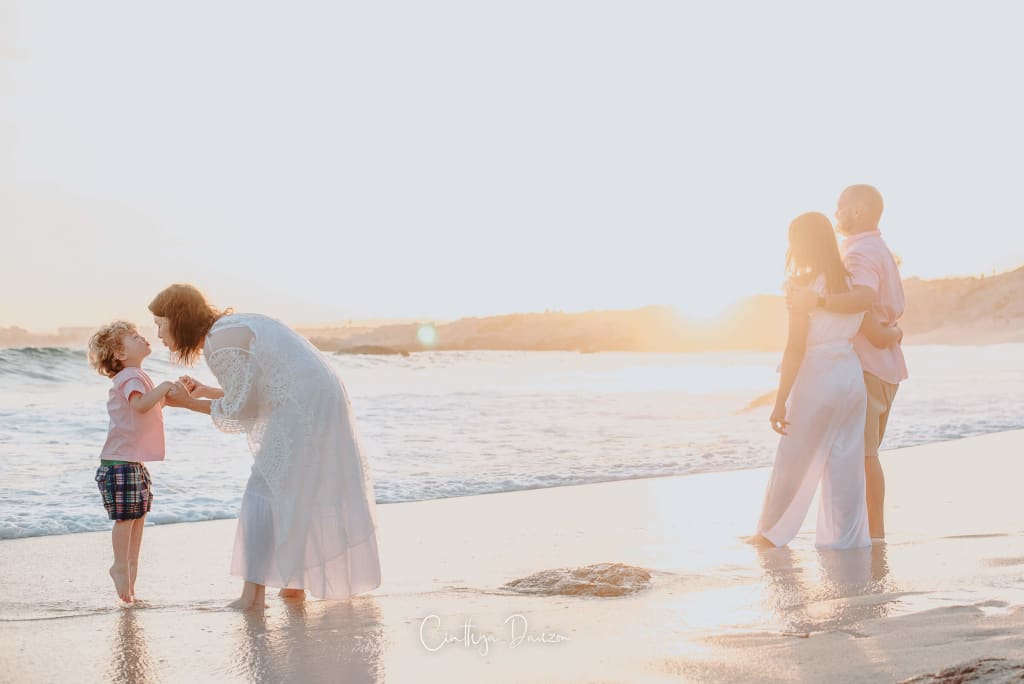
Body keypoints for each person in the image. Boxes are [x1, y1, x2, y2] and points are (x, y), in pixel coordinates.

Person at [150, 284, 381, 610]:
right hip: (320, 395)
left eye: (160, 322)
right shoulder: (228, 327)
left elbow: (243, 408)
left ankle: (253, 596)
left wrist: (188, 403)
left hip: (303, 403)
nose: (157, 332)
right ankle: (293, 585)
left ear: (179, 319)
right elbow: (257, 396)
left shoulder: (217, 343)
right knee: (295, 490)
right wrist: (205, 392)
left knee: (262, 490)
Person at [749, 212, 900, 549]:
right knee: (845, 463)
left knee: (792, 458)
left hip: (817, 376)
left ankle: (769, 533)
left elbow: (795, 348)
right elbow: (871, 329)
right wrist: (896, 333)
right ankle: (846, 541)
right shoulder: (851, 286)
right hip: (849, 377)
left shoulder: (802, 287)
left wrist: (779, 400)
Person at [788, 185, 908, 540]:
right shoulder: (877, 246)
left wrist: (817, 301)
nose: (836, 213)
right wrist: (892, 334)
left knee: (864, 458)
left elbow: (864, 299)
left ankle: (874, 537)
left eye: (840, 207)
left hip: (869, 367)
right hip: (885, 365)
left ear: (857, 211)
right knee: (865, 456)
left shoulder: (859, 253)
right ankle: (869, 534)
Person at [88, 321, 185, 602]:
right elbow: (140, 405)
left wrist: (170, 392)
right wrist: (166, 385)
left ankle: (130, 570)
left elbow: (149, 406)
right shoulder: (131, 376)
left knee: (138, 516)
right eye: (134, 337)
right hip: (120, 462)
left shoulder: (136, 375)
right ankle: (120, 565)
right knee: (127, 518)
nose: (143, 337)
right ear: (119, 354)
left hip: (130, 462)